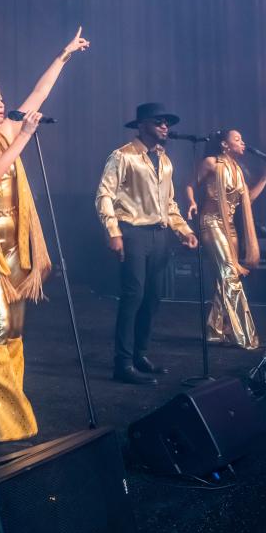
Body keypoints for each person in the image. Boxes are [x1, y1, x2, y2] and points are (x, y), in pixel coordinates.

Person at [0, 27, 88, 442]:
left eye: (1, 98)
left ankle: (4, 406)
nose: (2, 102)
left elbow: (38, 96)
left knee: (17, 328)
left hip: (14, 241)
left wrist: (63, 56)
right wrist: (25, 134)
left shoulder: (6, 130)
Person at [95, 102, 199, 385]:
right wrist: (113, 231)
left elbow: (169, 202)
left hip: (160, 234)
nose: (165, 127)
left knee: (152, 298)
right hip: (133, 232)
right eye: (158, 122)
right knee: (133, 296)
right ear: (141, 126)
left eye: (167, 123)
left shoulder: (164, 160)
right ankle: (123, 363)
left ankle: (140, 355)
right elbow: (105, 195)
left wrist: (183, 230)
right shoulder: (122, 156)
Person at [185, 129, 266, 349]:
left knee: (223, 279)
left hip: (230, 228)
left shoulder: (237, 170)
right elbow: (189, 184)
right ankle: (245, 335)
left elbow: (249, 199)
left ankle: (214, 330)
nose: (243, 143)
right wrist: (191, 202)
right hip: (211, 222)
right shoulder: (210, 163)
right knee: (229, 273)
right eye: (237, 140)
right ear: (225, 145)